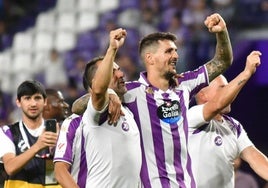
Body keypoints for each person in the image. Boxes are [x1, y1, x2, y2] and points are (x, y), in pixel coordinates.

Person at [71, 13, 233, 187]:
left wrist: (221, 32)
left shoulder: (184, 83)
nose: (176, 56)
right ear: (150, 58)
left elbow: (222, 61)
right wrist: (110, 93)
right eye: (169, 51)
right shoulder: (130, 92)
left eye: (176, 50)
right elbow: (77, 107)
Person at [53, 28, 141, 188]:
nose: (121, 75)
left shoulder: (127, 111)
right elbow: (60, 171)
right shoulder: (76, 122)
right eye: (113, 72)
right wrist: (112, 48)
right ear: (97, 81)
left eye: (120, 70)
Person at [188, 51, 268, 188]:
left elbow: (254, 157)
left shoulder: (233, 126)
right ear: (203, 95)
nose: (230, 92)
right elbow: (216, 104)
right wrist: (246, 72)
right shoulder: (191, 117)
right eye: (222, 89)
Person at [0, 80, 60, 188]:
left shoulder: (58, 130)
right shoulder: (7, 132)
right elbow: (10, 168)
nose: (33, 104)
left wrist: (55, 151)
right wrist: (38, 146)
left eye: (37, 98)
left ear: (45, 101)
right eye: (27, 98)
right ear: (18, 102)